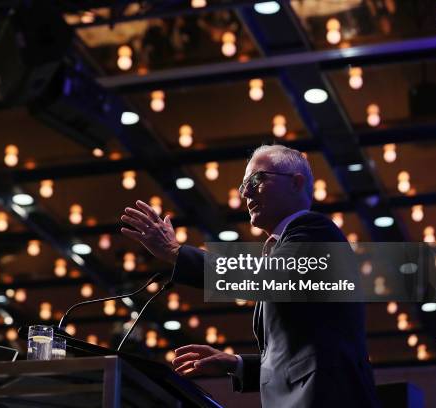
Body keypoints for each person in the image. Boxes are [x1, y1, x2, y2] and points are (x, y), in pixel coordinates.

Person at [120, 144, 380, 408]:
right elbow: (301, 353)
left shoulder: (315, 230)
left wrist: (176, 252)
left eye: (257, 179)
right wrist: (236, 364)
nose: (246, 192)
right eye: (243, 186)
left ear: (296, 182)